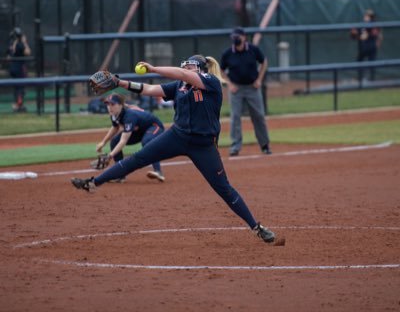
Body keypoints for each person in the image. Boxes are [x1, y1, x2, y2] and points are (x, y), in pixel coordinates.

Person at [71, 55, 283, 244]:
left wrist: (153, 69)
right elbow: (150, 89)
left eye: (190, 67)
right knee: (136, 159)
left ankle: (256, 227)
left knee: (223, 189)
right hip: (177, 136)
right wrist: (119, 82)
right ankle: (93, 183)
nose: (186, 70)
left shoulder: (211, 82)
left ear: (201, 70)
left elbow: (182, 74)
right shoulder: (180, 86)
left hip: (203, 145)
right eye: (186, 67)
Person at [219, 27, 272, 157]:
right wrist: (229, 84)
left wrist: (259, 79)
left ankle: (264, 145)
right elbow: (220, 69)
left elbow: (264, 61)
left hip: (252, 88)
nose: (236, 39)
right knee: (235, 116)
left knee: (258, 116)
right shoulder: (227, 53)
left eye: (238, 36)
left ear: (244, 37)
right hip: (236, 89)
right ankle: (235, 146)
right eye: (234, 37)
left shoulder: (253, 50)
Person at [97, 93, 165, 183]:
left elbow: (123, 141)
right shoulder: (114, 114)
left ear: (120, 105)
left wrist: (110, 155)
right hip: (140, 130)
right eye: (107, 104)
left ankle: (158, 171)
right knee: (114, 141)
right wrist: (103, 142)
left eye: (112, 104)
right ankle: (120, 174)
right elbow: (115, 127)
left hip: (154, 127)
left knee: (147, 141)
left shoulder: (129, 116)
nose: (109, 107)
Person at [350, 9, 383, 81]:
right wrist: (355, 33)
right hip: (363, 47)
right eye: (367, 15)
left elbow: (377, 35)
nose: (367, 17)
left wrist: (377, 42)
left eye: (370, 16)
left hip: (371, 47)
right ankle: (360, 79)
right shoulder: (361, 24)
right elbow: (354, 35)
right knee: (360, 62)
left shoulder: (374, 24)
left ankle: (371, 80)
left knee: (371, 64)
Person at [6, 27, 31, 112]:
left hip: (12, 68)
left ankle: (17, 104)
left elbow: (8, 57)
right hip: (19, 68)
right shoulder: (20, 44)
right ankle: (18, 104)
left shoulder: (11, 44)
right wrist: (25, 42)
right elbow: (28, 52)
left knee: (16, 87)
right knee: (21, 86)